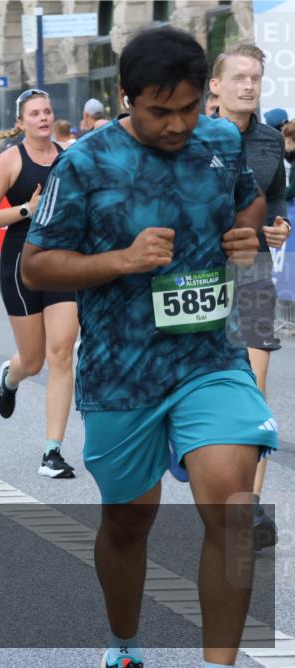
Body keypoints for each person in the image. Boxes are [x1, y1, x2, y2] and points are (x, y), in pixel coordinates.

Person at [21, 27, 273, 668]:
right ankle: (124, 645)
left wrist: (247, 237)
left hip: (210, 358)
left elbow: (250, 204)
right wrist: (121, 260)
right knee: (129, 522)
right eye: (161, 111)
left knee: (234, 507)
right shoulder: (84, 162)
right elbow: (35, 266)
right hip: (122, 371)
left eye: (189, 107)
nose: (178, 124)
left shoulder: (219, 139)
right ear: (126, 97)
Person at [209, 43, 290, 552]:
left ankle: (250, 507)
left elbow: (277, 194)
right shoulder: (190, 137)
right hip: (197, 279)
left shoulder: (268, 140)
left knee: (252, 389)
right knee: (209, 389)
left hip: (254, 271)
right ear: (214, 85)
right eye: (239, 77)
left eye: (256, 78)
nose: (249, 86)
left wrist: (277, 226)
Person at [0, 88, 79, 479]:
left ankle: (52, 451)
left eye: (48, 112)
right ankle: (11, 376)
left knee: (63, 351)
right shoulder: (9, 160)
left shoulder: (70, 158)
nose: (43, 118)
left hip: (63, 260)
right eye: (34, 113)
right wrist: (25, 210)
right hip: (20, 263)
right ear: (21, 122)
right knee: (33, 361)